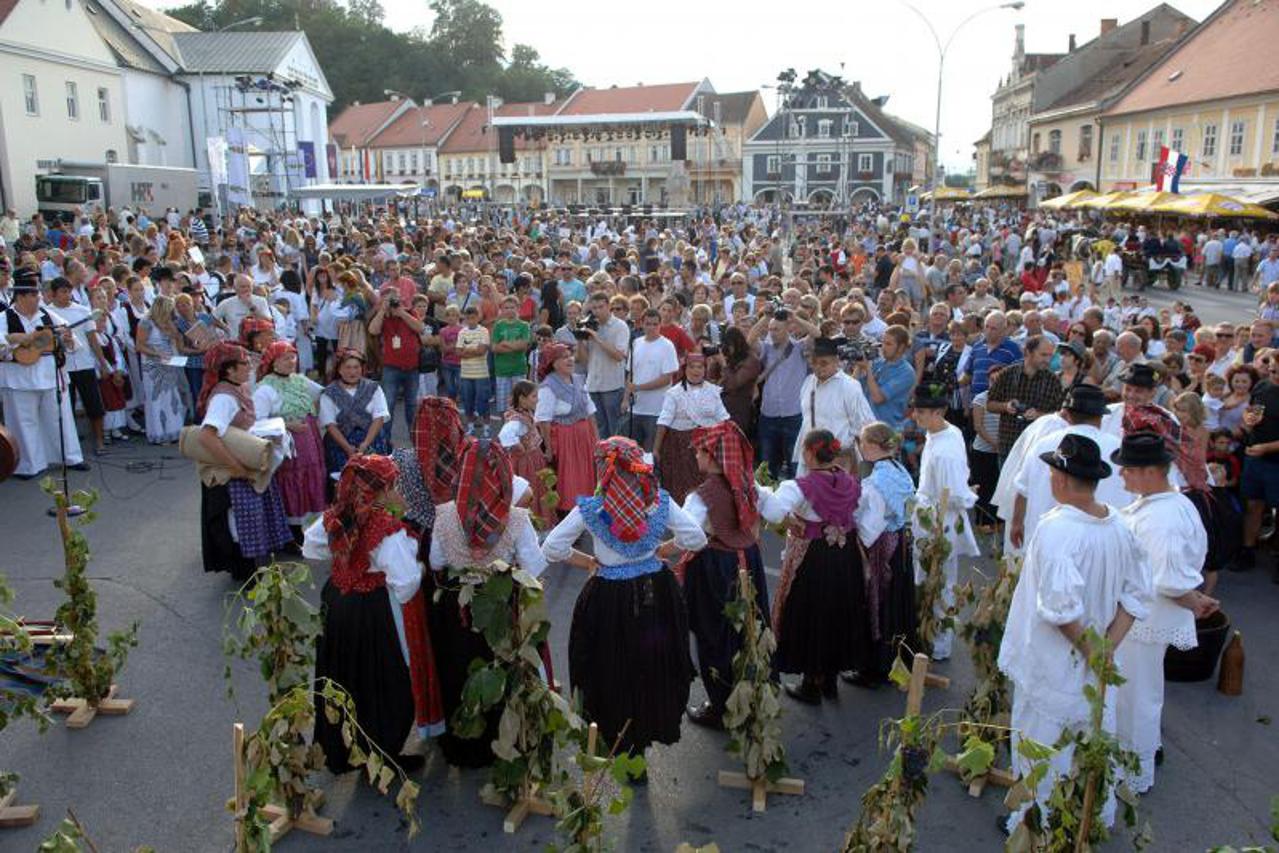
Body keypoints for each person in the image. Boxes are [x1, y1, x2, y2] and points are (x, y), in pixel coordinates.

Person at [998, 433, 1152, 836]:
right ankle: (1086, 817)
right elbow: (1136, 595)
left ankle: (1036, 823)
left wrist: (1093, 652)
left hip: (1056, 661)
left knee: (1041, 743)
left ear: (1061, 479)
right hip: (1097, 658)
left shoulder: (1058, 529)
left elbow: (1061, 611)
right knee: (1088, 736)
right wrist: (1106, 648)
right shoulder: (1119, 523)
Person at [542, 437, 707, 764]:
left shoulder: (592, 508)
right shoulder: (658, 502)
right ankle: (644, 737)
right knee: (649, 666)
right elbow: (695, 538)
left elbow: (552, 548)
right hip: (654, 593)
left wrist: (589, 561)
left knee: (612, 668)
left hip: (608, 599)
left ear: (603, 469)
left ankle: (622, 742)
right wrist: (661, 549)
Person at [303, 454, 444, 773]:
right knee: (384, 679)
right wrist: (418, 568)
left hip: (338, 604)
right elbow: (406, 583)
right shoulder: (386, 529)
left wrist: (346, 561)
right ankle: (382, 752)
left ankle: (344, 747)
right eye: (394, 486)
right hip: (374, 610)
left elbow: (311, 547)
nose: (400, 493)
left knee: (343, 676)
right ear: (379, 492)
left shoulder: (337, 517)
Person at [427, 438, 546, 767]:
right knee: (501, 669)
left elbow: (436, 562)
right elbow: (535, 566)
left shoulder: (446, 516)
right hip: (501, 606)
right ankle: (501, 742)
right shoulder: (516, 519)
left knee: (458, 668)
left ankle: (463, 741)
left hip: (459, 611)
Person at [1111, 431, 1217, 795]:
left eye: (1127, 469)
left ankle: (1132, 768)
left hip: (1142, 618)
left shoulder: (1163, 518)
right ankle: (1142, 750)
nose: (1122, 475)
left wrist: (1191, 598)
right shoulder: (1168, 504)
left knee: (1134, 694)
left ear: (1151, 472)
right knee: (1143, 689)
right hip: (1145, 615)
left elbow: (1167, 577)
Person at [757, 428, 866, 704]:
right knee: (838, 611)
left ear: (807, 453)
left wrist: (759, 490)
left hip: (812, 557)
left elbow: (774, 512)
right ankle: (829, 678)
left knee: (810, 614)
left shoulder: (799, 487)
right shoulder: (851, 481)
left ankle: (811, 683)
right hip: (845, 555)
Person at [679, 421, 771, 729]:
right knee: (748, 628)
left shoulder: (701, 497)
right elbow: (768, 512)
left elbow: (688, 537)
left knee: (713, 634)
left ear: (711, 455)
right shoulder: (747, 484)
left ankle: (721, 706)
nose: (696, 457)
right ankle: (752, 693)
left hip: (715, 566)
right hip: (748, 562)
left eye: (700, 452)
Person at [196, 341, 292, 581]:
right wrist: (235, 467)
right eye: (244, 363)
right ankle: (246, 572)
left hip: (243, 463)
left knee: (252, 518)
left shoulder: (236, 389)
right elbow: (207, 435)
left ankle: (254, 568)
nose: (250, 366)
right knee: (240, 520)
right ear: (228, 370)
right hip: (234, 471)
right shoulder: (223, 398)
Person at [1009, 384, 1131, 553]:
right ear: (1101, 417)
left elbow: (1022, 489)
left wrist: (1016, 523)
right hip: (1106, 544)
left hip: (1049, 542)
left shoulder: (1043, 444)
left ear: (1067, 414)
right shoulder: (1119, 449)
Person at [911, 381, 979, 661]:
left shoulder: (946, 450)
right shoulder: (941, 434)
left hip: (939, 521)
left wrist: (968, 495)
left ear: (939, 412)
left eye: (923, 412)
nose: (917, 416)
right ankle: (927, 635)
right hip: (929, 513)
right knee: (927, 579)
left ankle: (938, 642)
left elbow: (955, 496)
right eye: (916, 410)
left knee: (938, 581)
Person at [0, 269, 87, 478]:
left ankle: (69, 457)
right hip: (18, 379)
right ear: (20, 296)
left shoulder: (47, 315)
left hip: (50, 377)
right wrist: (22, 341)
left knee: (59, 418)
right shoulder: (4, 317)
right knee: (24, 422)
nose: (38, 298)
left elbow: (74, 343)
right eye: (32, 294)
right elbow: (2, 345)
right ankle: (29, 465)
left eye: (38, 294)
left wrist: (67, 340)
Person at [849, 421, 917, 685]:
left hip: (883, 547)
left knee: (877, 601)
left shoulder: (876, 481)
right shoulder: (900, 471)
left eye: (863, 443)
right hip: (900, 543)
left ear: (873, 446)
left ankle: (875, 667)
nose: (861, 447)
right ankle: (898, 658)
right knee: (897, 600)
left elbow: (869, 526)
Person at [253, 341, 326, 532]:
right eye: (285, 358)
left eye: (293, 356)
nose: (291, 361)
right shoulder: (265, 388)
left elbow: (321, 394)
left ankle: (312, 528)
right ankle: (292, 531)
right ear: (273, 362)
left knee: (312, 476)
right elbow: (258, 422)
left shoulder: (300, 380)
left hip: (308, 440)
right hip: (286, 444)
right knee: (292, 481)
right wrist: (287, 424)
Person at [654, 352, 731, 503]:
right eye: (692, 367)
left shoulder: (713, 391)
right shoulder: (674, 393)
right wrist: (656, 449)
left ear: (705, 369)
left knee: (706, 485)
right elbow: (664, 421)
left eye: (700, 367)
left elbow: (724, 418)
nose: (696, 371)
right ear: (685, 369)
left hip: (707, 446)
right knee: (681, 486)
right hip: (680, 447)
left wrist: (729, 443)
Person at [794, 337, 875, 474]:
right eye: (814, 363)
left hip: (837, 460)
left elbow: (864, 423)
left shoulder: (849, 386)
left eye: (823, 363)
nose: (818, 367)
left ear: (836, 362)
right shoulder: (808, 382)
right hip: (810, 458)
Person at [536, 341, 599, 512]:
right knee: (569, 477)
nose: (570, 360)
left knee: (585, 475)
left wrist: (597, 439)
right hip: (565, 440)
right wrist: (548, 449)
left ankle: (586, 508)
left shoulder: (578, 379)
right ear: (553, 363)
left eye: (570, 356)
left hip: (584, 436)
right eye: (564, 357)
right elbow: (544, 420)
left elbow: (590, 411)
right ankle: (568, 512)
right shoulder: (548, 386)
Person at [986, 335, 1064, 458]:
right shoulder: (1007, 374)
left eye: (1050, 356)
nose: (1048, 360)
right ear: (1028, 352)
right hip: (1009, 445)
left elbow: (1060, 415)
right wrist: (1006, 406)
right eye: (1043, 355)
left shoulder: (1053, 381)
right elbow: (990, 405)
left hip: (1037, 447)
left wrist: (1039, 415)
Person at [319, 349, 390, 479]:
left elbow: (379, 417)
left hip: (370, 440)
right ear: (339, 370)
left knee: (374, 480)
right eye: (348, 367)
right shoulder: (329, 393)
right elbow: (330, 424)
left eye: (356, 367)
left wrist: (365, 444)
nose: (352, 372)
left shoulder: (373, 388)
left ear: (362, 369)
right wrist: (348, 449)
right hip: (340, 444)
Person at [368, 284, 426, 441]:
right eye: (390, 299)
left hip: (412, 367)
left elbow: (420, 328)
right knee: (388, 404)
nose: (394, 301)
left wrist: (401, 313)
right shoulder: (383, 317)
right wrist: (382, 310)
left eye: (396, 298)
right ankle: (386, 442)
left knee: (412, 406)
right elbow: (373, 330)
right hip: (391, 368)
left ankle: (415, 441)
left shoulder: (408, 312)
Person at [499, 380, 554, 527]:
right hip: (527, 462)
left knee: (539, 489)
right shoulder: (517, 420)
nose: (537, 399)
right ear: (522, 399)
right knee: (532, 490)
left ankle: (537, 522)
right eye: (534, 396)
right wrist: (519, 447)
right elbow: (505, 436)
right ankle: (531, 524)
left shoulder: (524, 413)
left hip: (534, 458)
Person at [135, 294, 188, 445]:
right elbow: (139, 345)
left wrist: (171, 328)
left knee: (172, 396)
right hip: (153, 365)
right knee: (156, 398)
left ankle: (173, 431)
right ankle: (159, 432)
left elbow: (176, 338)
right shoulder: (145, 322)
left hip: (169, 363)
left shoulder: (167, 322)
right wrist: (157, 353)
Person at [623, 308, 679, 451]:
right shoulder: (636, 343)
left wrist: (639, 387)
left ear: (660, 325)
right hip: (635, 408)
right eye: (648, 324)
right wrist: (625, 398)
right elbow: (630, 373)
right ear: (642, 324)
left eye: (655, 324)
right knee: (633, 452)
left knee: (651, 453)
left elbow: (666, 379)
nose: (652, 328)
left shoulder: (667, 346)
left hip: (656, 410)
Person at [578, 292, 630, 438]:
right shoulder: (589, 324)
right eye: (594, 308)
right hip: (593, 384)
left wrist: (597, 338)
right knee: (598, 430)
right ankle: (601, 459)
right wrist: (580, 340)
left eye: (601, 307)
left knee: (615, 429)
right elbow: (583, 360)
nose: (597, 311)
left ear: (608, 306)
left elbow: (619, 356)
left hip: (612, 385)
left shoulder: (620, 326)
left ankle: (614, 460)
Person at [853, 324, 916, 431]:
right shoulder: (878, 363)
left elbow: (878, 398)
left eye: (888, 344)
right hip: (865, 426)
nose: (883, 347)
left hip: (887, 429)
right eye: (882, 342)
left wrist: (868, 369)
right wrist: (859, 366)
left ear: (901, 348)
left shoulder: (906, 372)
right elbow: (853, 388)